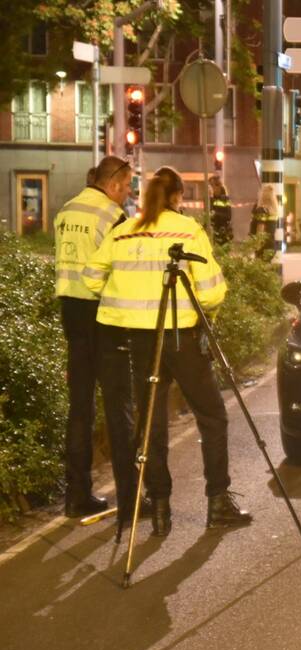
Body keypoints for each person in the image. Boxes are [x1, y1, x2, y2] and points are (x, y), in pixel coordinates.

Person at [82, 166, 252, 536]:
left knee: (151, 425)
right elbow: (210, 291)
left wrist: (125, 298)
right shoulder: (187, 231)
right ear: (177, 197)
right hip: (182, 337)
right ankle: (218, 501)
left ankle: (159, 507)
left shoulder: (123, 232)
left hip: (143, 342)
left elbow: (91, 277)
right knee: (212, 416)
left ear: (144, 196)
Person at [53, 156, 131, 517]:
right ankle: (130, 495)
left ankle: (76, 495)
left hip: (72, 314)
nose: (128, 193)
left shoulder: (66, 211)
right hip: (104, 316)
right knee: (118, 406)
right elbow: (123, 269)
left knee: (80, 408)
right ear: (113, 183)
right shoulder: (113, 217)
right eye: (127, 186)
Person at [250, 184, 279, 258]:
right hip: (271, 246)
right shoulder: (274, 211)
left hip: (262, 247)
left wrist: (257, 246)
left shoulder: (262, 210)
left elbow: (260, 229)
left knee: (260, 268)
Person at [209, 175, 233, 246]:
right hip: (211, 233)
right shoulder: (210, 198)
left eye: (211, 186)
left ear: (218, 186)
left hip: (222, 233)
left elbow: (228, 216)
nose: (209, 188)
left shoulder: (225, 199)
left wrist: (215, 214)